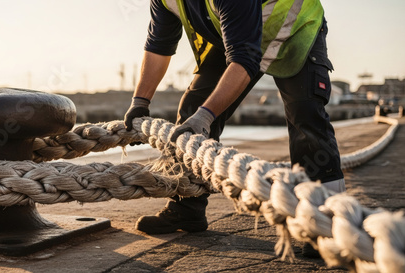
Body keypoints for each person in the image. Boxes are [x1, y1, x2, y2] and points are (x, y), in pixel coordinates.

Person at [124, 0, 345, 236]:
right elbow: (158, 46)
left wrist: (206, 117)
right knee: (193, 106)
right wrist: (140, 103)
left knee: (305, 116)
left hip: (295, 29)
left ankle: (325, 222)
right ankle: (187, 208)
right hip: (237, 32)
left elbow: (244, 61)